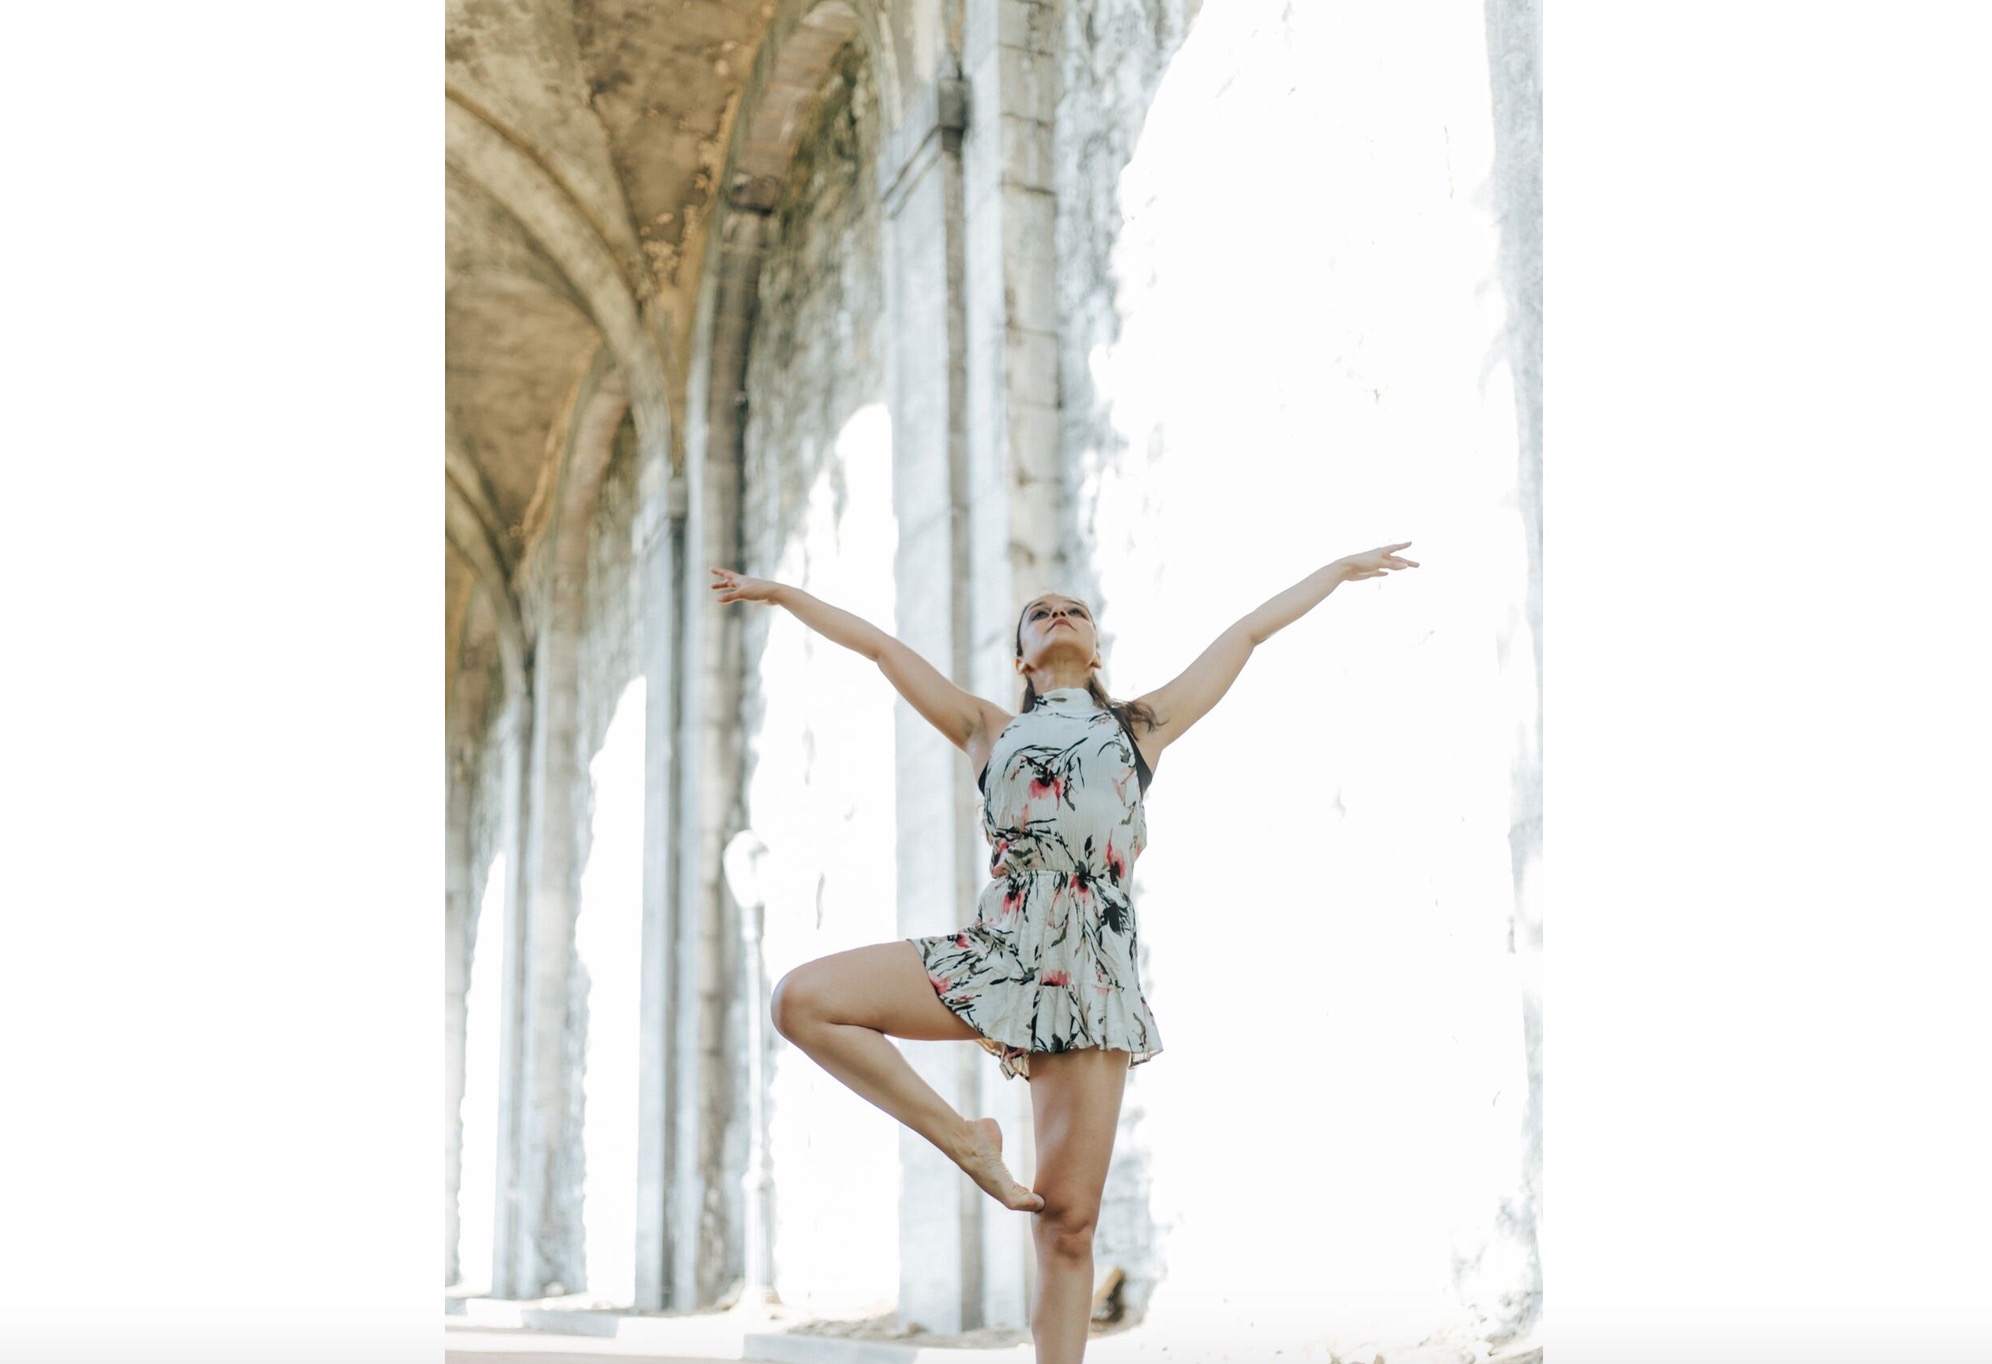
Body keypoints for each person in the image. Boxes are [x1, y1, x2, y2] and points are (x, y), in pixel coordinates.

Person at [708, 542, 1420, 1363]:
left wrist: (1336, 572)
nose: (1058, 613)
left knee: (1069, 1226)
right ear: (1023, 656)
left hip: (1089, 971)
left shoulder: (1140, 727)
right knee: (802, 999)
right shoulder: (986, 727)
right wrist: (782, 593)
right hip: (1000, 948)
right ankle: (966, 1141)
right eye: (1040, 612)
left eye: (1073, 608)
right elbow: (879, 648)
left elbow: (1247, 634)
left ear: (1095, 647)